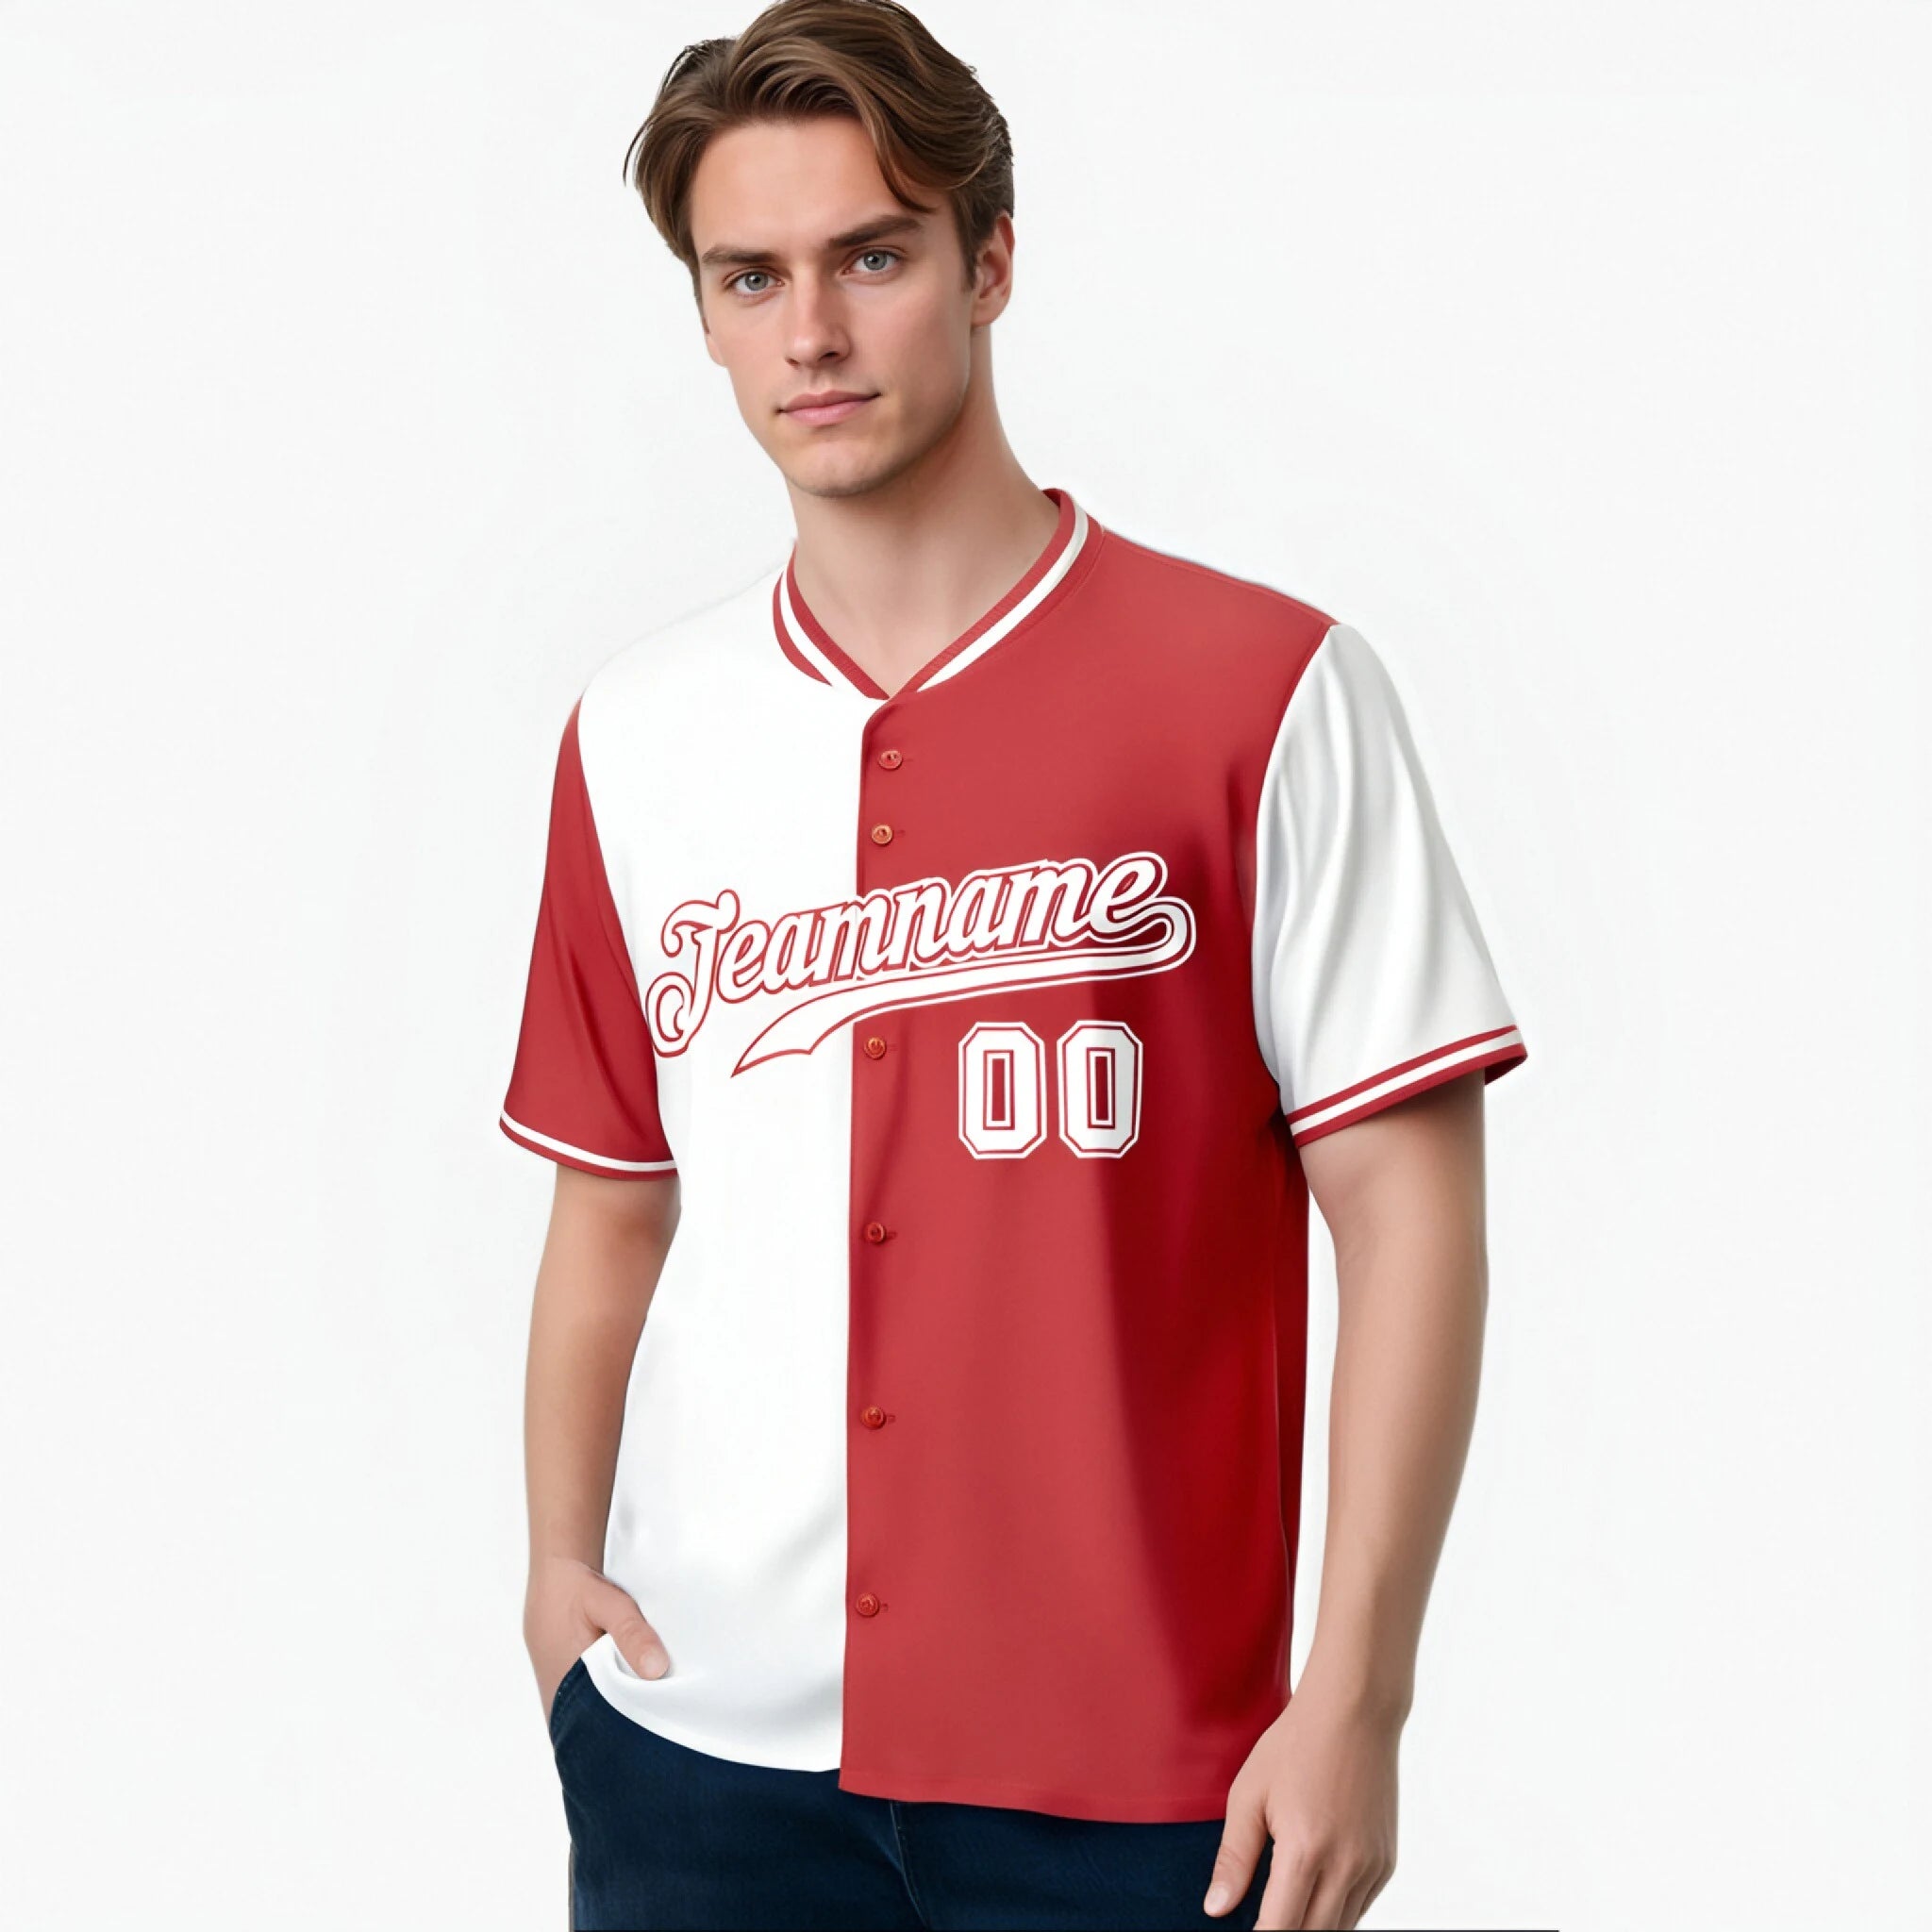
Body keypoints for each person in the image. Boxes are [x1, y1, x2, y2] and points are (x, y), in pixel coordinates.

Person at [497, 3, 1528, 1926]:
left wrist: (1358, 1696)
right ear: (704, 315)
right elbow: (612, 1202)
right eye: (750, 277)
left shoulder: (1266, 691)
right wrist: (560, 1581)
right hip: (696, 1763)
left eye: (871, 257)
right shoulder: (636, 735)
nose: (811, 331)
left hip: (1144, 1774)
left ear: (988, 263)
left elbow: (1406, 1215)